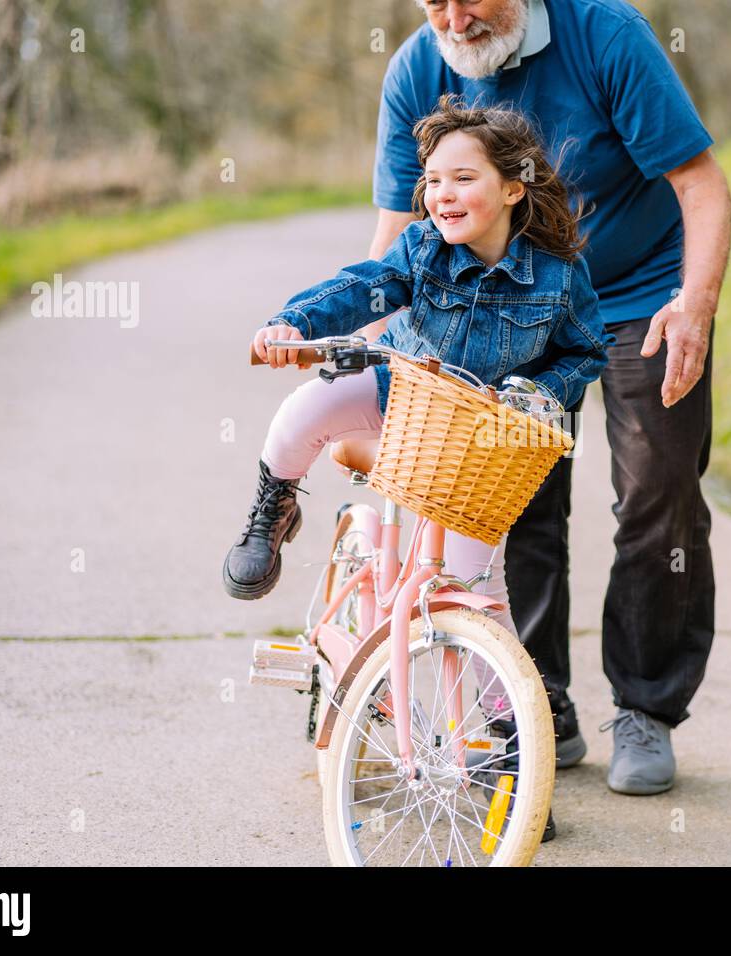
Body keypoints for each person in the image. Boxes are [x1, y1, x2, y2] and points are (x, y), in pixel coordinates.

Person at [366, 0, 731, 795]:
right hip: (501, 303)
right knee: (514, 502)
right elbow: (397, 229)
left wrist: (694, 304)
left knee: (657, 492)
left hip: (639, 292)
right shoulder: (417, 69)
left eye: (470, 0)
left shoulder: (607, 36)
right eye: (435, 3)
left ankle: (646, 707)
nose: (454, 19)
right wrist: (391, 350)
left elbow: (699, 183)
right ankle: (538, 706)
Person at [221, 95, 613, 839]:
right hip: (401, 393)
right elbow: (363, 287)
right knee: (304, 410)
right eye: (432, 181)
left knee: (478, 599)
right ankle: (271, 510)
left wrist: (543, 393)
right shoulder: (422, 249)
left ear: (512, 188)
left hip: (478, 440)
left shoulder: (559, 277)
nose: (442, 196)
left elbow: (585, 351)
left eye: (462, 179)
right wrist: (294, 322)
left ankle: (510, 755)